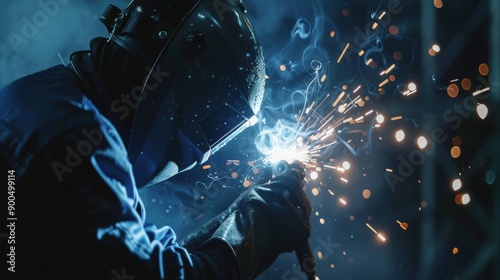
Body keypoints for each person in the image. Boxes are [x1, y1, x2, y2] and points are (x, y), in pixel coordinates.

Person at [0, 0, 312, 279]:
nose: (201, 152)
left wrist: (241, 214)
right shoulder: (80, 142)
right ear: (192, 80)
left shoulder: (51, 100)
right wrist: (263, 227)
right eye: (216, 126)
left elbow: (146, 258)